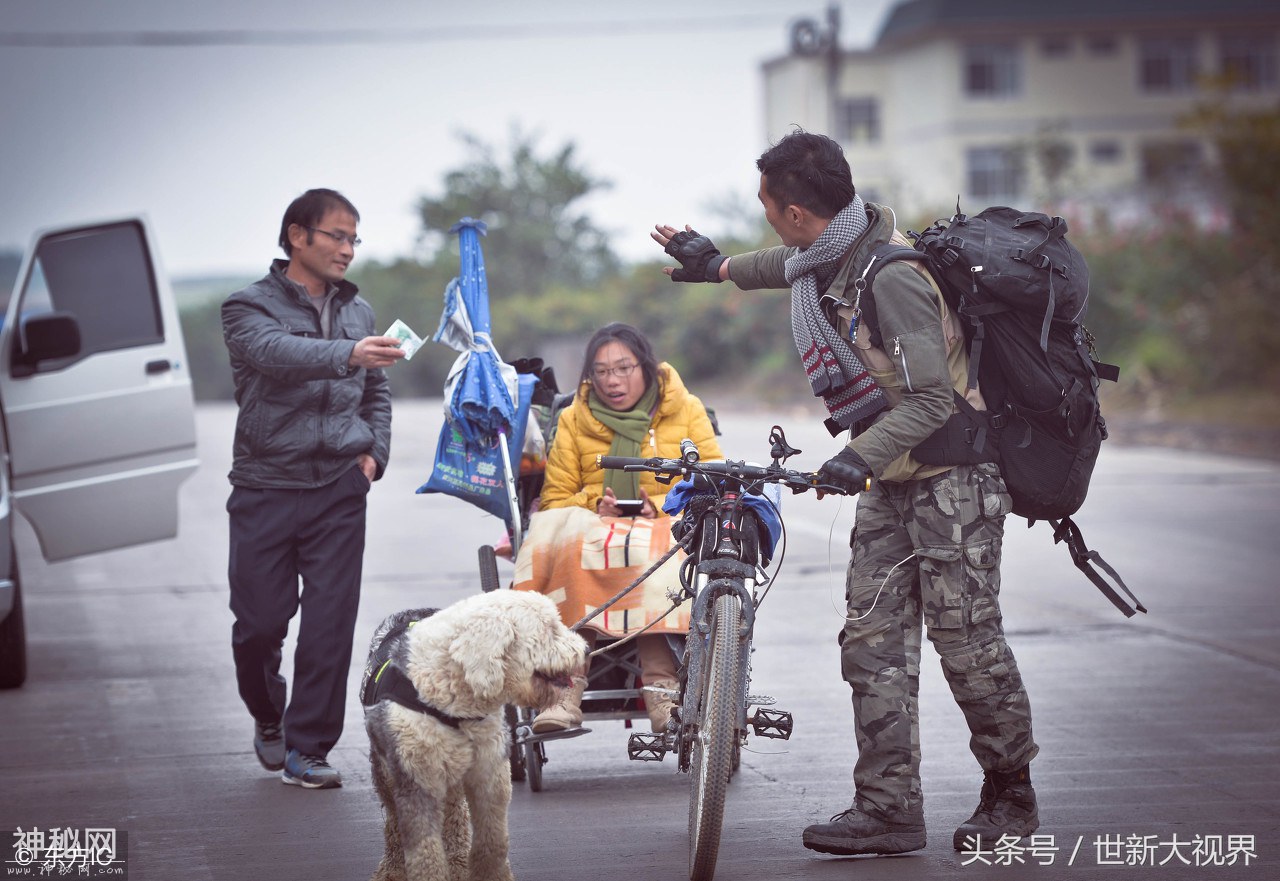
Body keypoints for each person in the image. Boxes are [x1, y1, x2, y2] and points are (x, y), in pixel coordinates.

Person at [651, 131, 1039, 855]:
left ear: (797, 211)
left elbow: (934, 401)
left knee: (968, 646)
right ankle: (888, 808)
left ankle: (1011, 793)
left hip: (951, 486)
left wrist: (856, 456)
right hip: (893, 485)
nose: (768, 220)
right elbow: (784, 264)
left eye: (769, 206)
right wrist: (716, 266)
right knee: (871, 644)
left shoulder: (890, 278)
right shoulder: (834, 251)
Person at [221, 188, 404, 789]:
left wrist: (373, 453)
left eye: (355, 238)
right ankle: (267, 712)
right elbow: (277, 354)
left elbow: (377, 392)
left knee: (329, 625)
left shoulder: (360, 312)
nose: (348, 249)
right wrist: (348, 353)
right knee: (258, 626)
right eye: (337, 236)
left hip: (338, 487)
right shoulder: (246, 307)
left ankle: (309, 749)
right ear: (298, 236)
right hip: (265, 485)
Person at [512, 322, 722, 734]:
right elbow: (555, 499)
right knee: (572, 544)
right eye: (602, 371)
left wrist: (657, 504)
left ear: (645, 366)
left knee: (656, 550)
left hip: (663, 524)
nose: (613, 380)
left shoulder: (686, 408)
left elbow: (712, 478)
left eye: (623, 368)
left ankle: (663, 696)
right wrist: (598, 503)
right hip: (595, 528)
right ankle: (562, 696)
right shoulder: (574, 418)